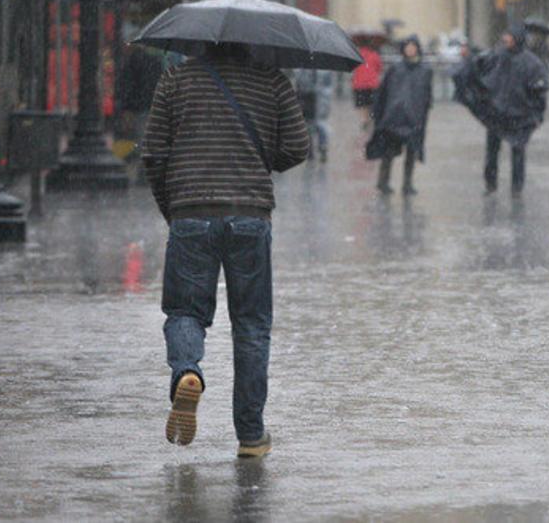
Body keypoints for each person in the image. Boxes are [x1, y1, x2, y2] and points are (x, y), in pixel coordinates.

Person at [141, 42, 310, 457]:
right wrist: (255, 155)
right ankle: (251, 436)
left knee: (185, 310)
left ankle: (187, 372)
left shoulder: (175, 80)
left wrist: (174, 207)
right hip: (250, 214)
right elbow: (297, 148)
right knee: (251, 325)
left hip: (190, 211)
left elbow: (153, 153)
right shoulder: (273, 81)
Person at [480, 25, 549, 196]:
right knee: (492, 152)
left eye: (509, 37)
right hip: (496, 113)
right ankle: (491, 184)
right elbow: (483, 76)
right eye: (505, 37)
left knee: (518, 152)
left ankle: (516, 187)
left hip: (519, 115)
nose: (506, 40)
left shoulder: (530, 62)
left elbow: (539, 91)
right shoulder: (497, 57)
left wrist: (537, 113)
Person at [365, 35, 433, 195]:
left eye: (413, 46)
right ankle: (383, 182)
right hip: (394, 116)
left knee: (411, 152)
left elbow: (426, 95)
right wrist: (380, 112)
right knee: (388, 151)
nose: (410, 49)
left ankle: (407, 184)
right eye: (407, 46)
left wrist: (422, 111)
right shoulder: (395, 69)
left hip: (413, 118)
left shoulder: (425, 70)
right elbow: (384, 92)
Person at [293, 68, 335, 162]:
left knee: (311, 124)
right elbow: (328, 87)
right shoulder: (325, 69)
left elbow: (299, 85)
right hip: (314, 99)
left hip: (310, 99)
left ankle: (314, 149)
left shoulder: (301, 68)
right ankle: (320, 147)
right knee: (318, 124)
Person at [352, 44, 383, 130]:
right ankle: (370, 118)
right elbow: (379, 68)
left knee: (362, 104)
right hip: (372, 84)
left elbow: (352, 67)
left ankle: (364, 119)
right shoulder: (375, 55)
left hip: (359, 83)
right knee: (371, 103)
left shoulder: (356, 54)